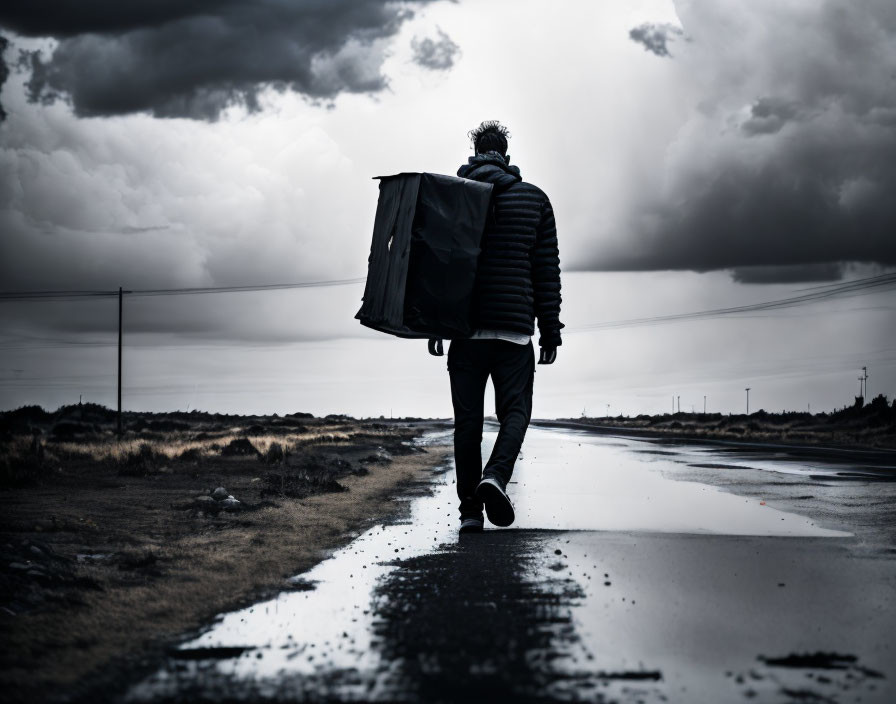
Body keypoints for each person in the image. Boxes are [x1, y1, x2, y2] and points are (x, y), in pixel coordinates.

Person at [431, 121, 563, 533]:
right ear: (505, 154)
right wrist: (550, 329)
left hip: (465, 330)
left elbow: (436, 262)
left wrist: (432, 322)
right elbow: (546, 271)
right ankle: (496, 476)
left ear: (475, 152)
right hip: (514, 329)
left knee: (467, 423)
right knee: (516, 412)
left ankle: (470, 510)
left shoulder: (452, 195)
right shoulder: (534, 199)